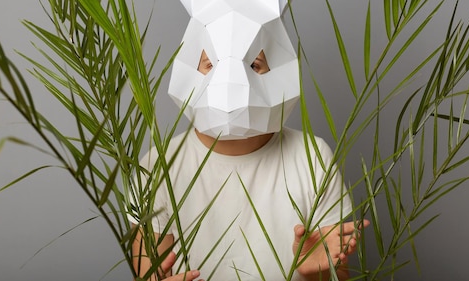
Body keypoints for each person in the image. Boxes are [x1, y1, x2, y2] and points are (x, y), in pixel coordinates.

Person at [131, 51, 367, 281]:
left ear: (273, 74)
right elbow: (146, 275)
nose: (231, 81)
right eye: (211, 64)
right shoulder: (156, 167)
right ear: (193, 73)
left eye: (253, 65)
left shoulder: (312, 156)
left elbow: (338, 274)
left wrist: (315, 271)